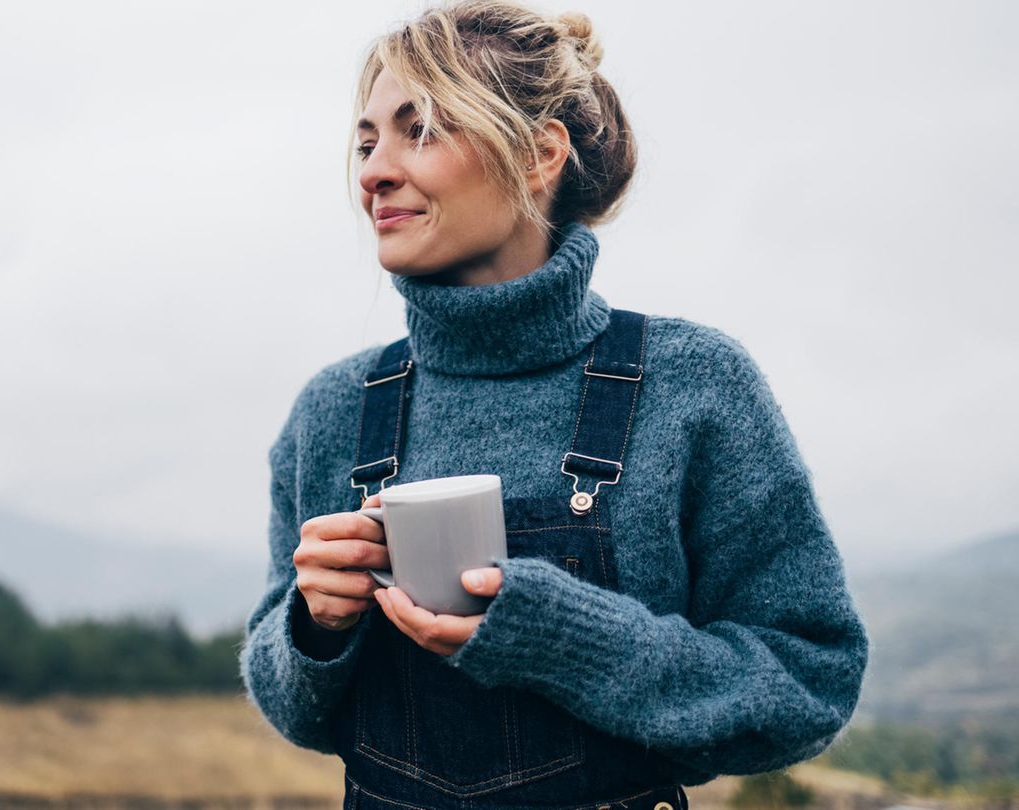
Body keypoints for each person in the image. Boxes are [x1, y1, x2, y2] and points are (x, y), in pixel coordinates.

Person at [238, 2, 869, 808]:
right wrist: (313, 626)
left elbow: (808, 686)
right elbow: (291, 707)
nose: (373, 173)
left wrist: (565, 639)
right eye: (366, 143)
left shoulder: (694, 385)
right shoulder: (333, 410)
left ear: (540, 155)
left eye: (420, 129)